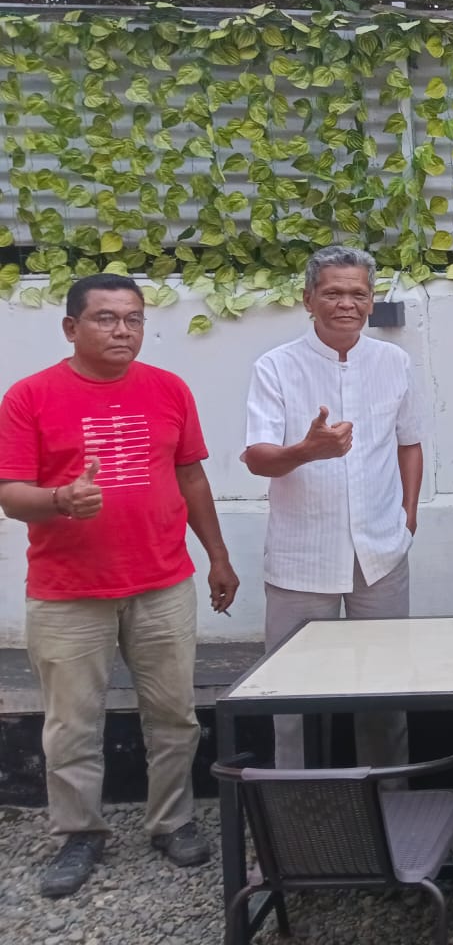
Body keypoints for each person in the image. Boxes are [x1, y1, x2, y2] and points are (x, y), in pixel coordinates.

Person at [0, 274, 239, 898]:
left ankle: (173, 821)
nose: (122, 330)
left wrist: (217, 556)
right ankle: (80, 832)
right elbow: (11, 495)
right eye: (105, 318)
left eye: (133, 319)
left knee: (174, 716)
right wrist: (60, 499)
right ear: (71, 327)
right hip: (67, 591)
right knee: (71, 724)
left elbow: (191, 478)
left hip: (162, 582)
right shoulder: (29, 397)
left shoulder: (168, 389)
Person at [242, 246, 423, 769]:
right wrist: (307, 450)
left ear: (371, 300)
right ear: (308, 300)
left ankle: (390, 799)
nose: (347, 303)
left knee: (385, 693)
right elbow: (256, 458)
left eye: (358, 293)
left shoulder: (394, 362)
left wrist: (408, 517)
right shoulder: (276, 367)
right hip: (301, 559)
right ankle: (295, 807)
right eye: (334, 292)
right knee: (290, 698)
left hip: (380, 556)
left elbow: (410, 443)